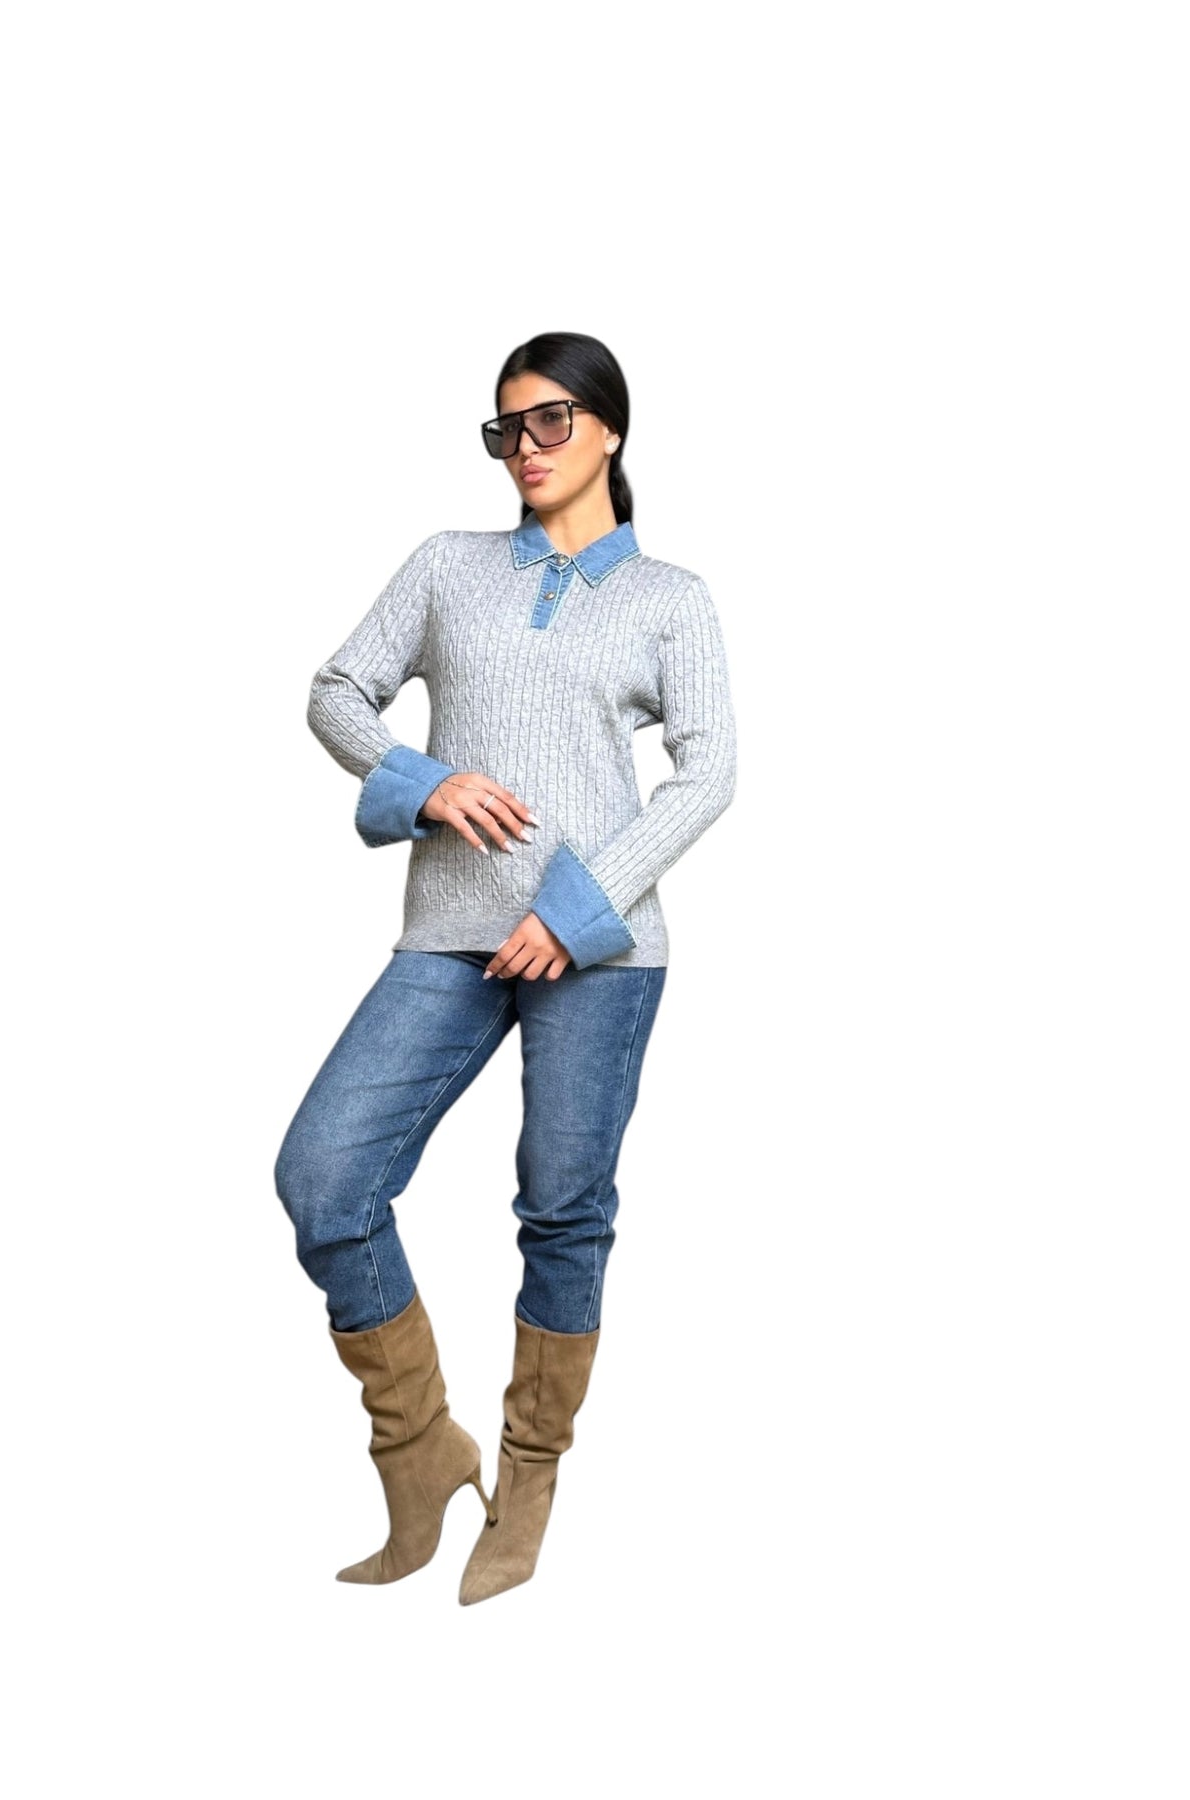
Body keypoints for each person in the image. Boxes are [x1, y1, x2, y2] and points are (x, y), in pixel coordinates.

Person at [273, 330, 738, 1605]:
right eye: (506, 428)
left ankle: (526, 1479)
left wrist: (579, 910)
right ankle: (422, 1452)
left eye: (549, 422)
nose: (525, 449)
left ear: (608, 429)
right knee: (324, 1178)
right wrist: (424, 782)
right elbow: (337, 691)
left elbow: (710, 774)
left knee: (562, 1207)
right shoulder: (448, 565)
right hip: (451, 930)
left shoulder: (671, 598)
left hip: (600, 952)